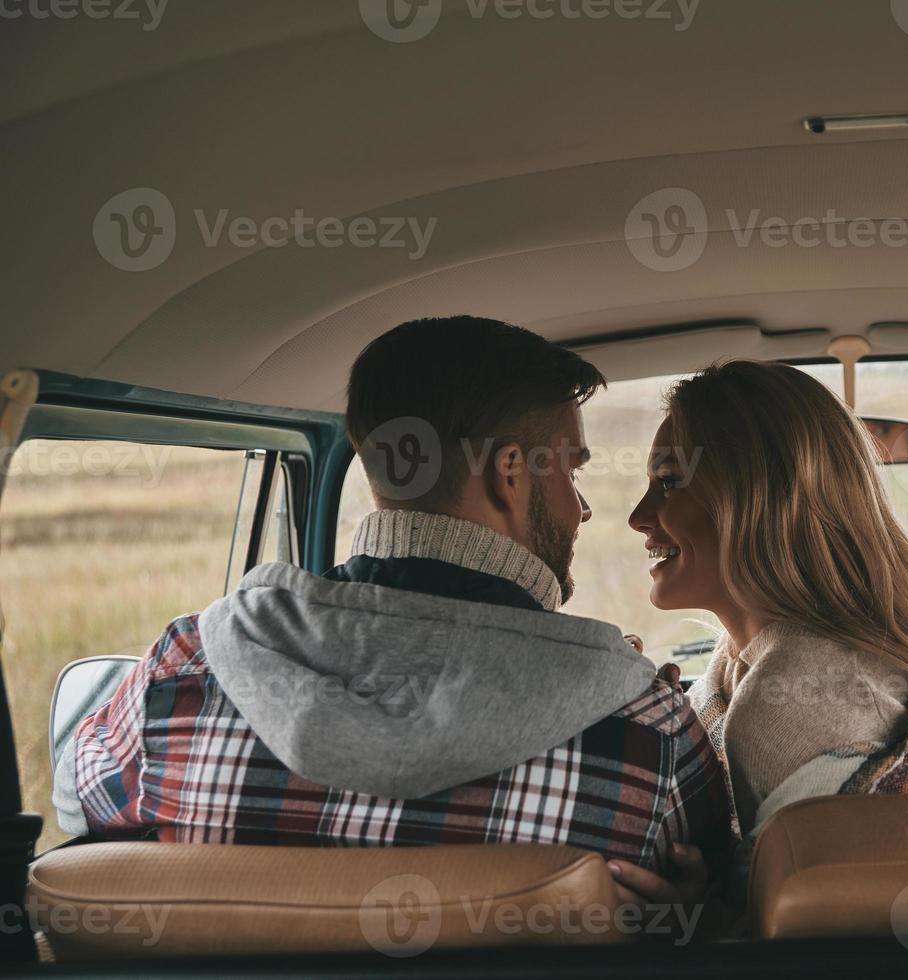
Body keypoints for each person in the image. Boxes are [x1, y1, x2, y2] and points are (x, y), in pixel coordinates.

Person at [53, 317, 730, 881]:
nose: (580, 509)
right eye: (572, 468)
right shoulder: (649, 734)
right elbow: (709, 911)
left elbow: (77, 829)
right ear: (511, 475)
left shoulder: (178, 673)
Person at [628, 360, 908, 843]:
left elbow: (813, 913)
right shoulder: (744, 669)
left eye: (670, 482)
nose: (638, 516)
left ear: (760, 497)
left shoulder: (787, 698)